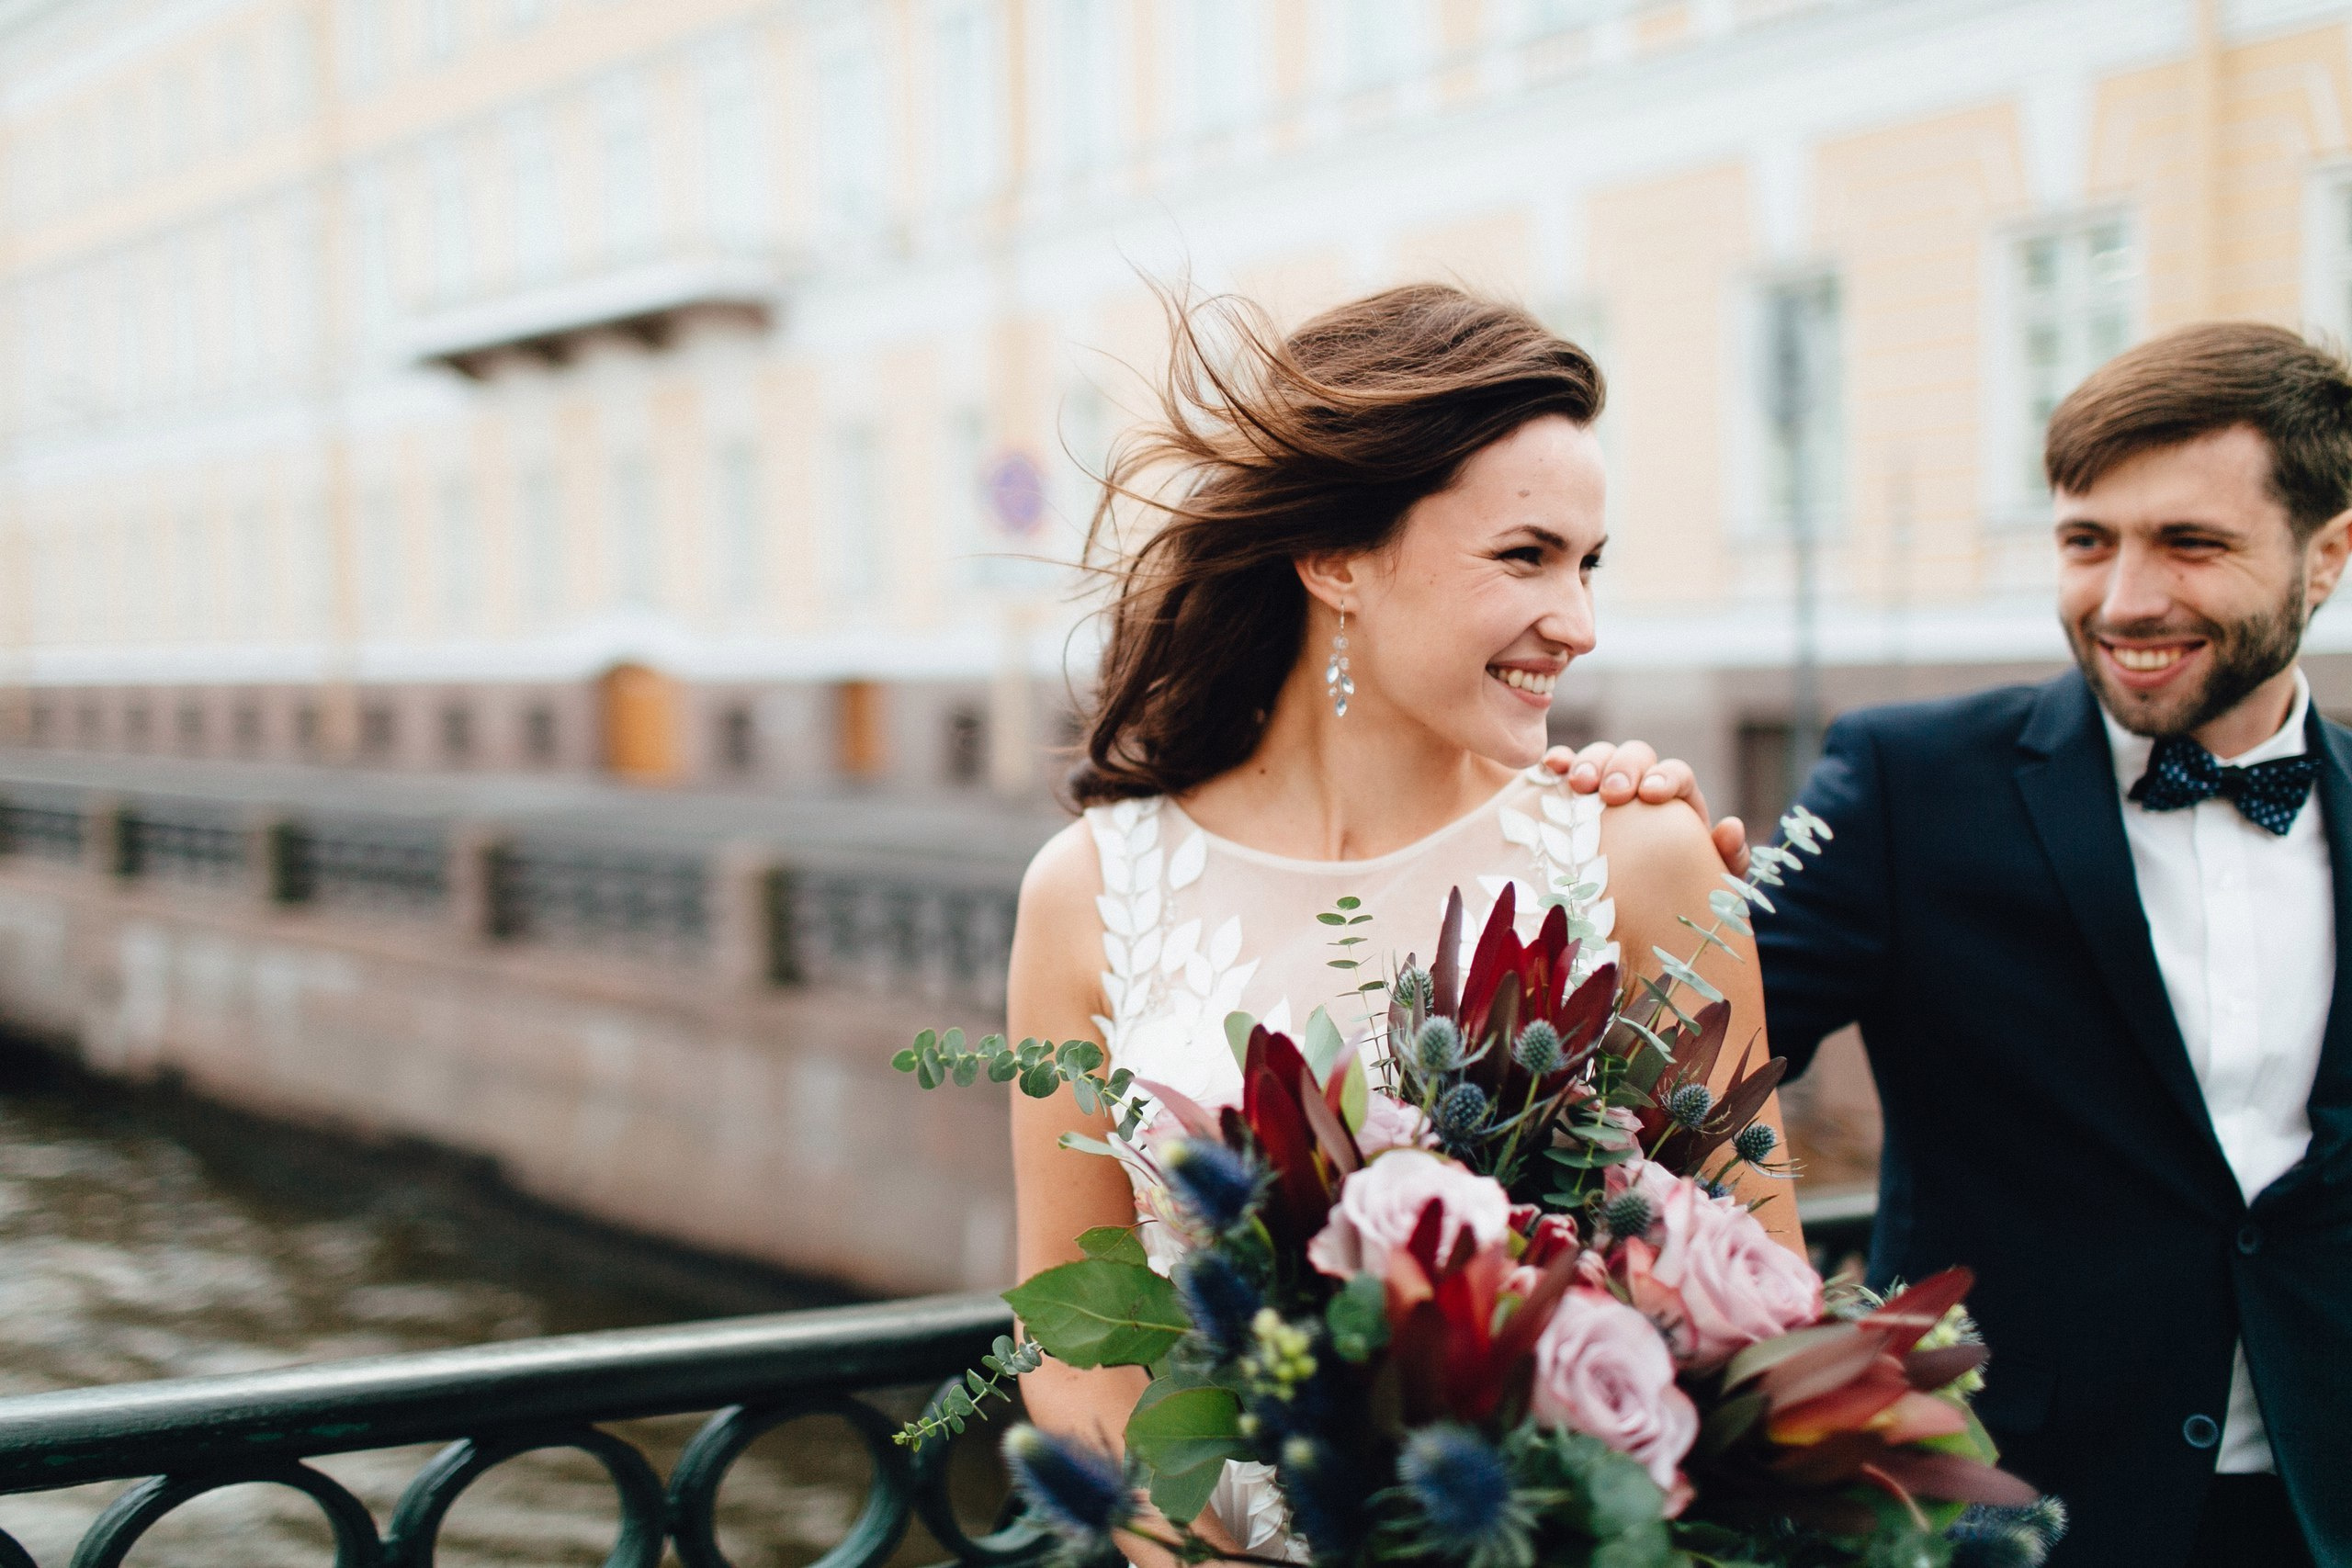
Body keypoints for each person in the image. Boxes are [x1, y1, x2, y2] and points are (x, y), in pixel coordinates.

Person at [1004, 284, 1793, 1564]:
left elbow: (1761, 1316)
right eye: (1524, 556)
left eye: (1588, 565)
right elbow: (1068, 1331)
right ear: (1335, 559)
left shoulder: (1641, 858)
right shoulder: (1090, 890)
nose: (1579, 624)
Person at [1758, 322, 2352, 1568]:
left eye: (2191, 543)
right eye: (2089, 541)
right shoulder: (1903, 784)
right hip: (2002, 1508)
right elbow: (1688, 1063)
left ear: (2326, 557)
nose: (2126, 599)